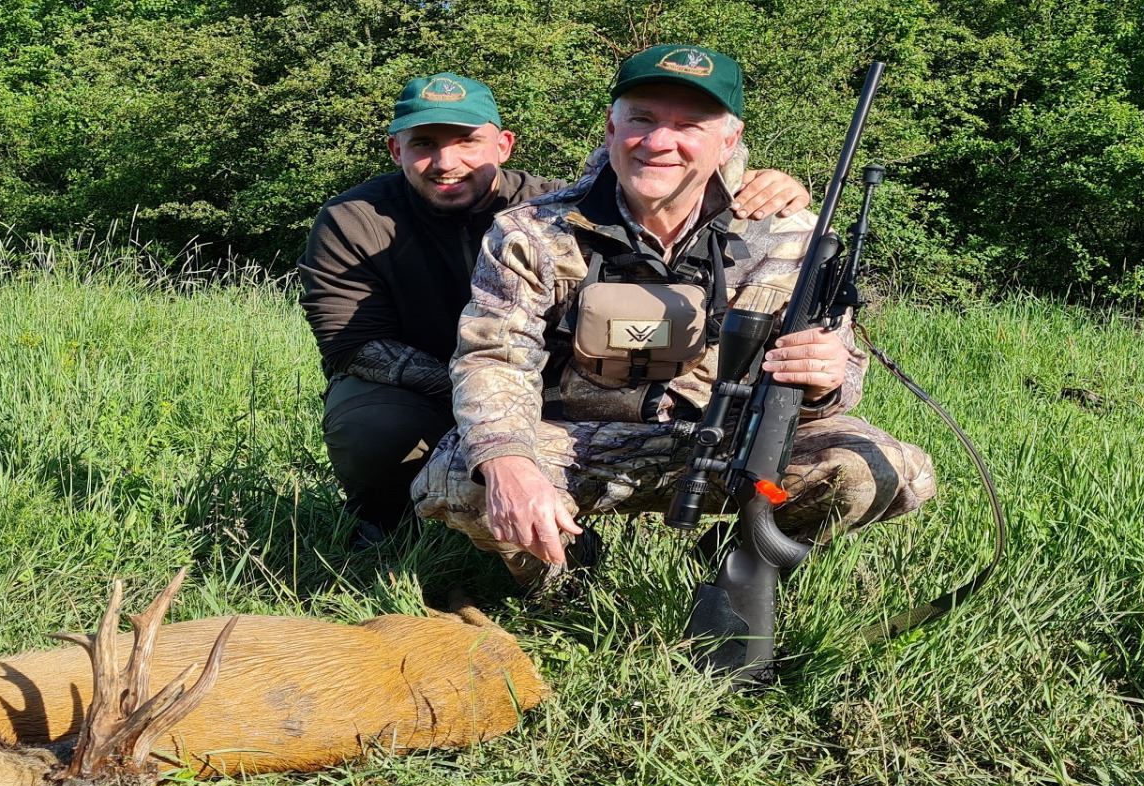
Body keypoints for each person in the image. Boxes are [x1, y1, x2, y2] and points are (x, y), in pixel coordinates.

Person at [410, 45, 936, 589]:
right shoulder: (532, 230)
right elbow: (493, 358)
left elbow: (842, 381)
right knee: (463, 478)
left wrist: (826, 381)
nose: (659, 142)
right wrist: (509, 462)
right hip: (578, 443)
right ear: (611, 128)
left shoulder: (791, 233)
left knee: (881, 469)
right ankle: (566, 577)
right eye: (642, 119)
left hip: (733, 445)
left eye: (689, 125)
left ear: (729, 141)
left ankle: (736, 561)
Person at [298, 72, 810, 542]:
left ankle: (596, 529)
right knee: (373, 427)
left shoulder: (549, 212)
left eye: (467, 142)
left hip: (531, 377)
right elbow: (351, 345)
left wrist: (747, 184)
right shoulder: (353, 219)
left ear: (503, 145)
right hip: (423, 385)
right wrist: (488, 394)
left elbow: (648, 189)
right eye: (424, 144)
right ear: (396, 150)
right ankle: (392, 526)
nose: (447, 162)